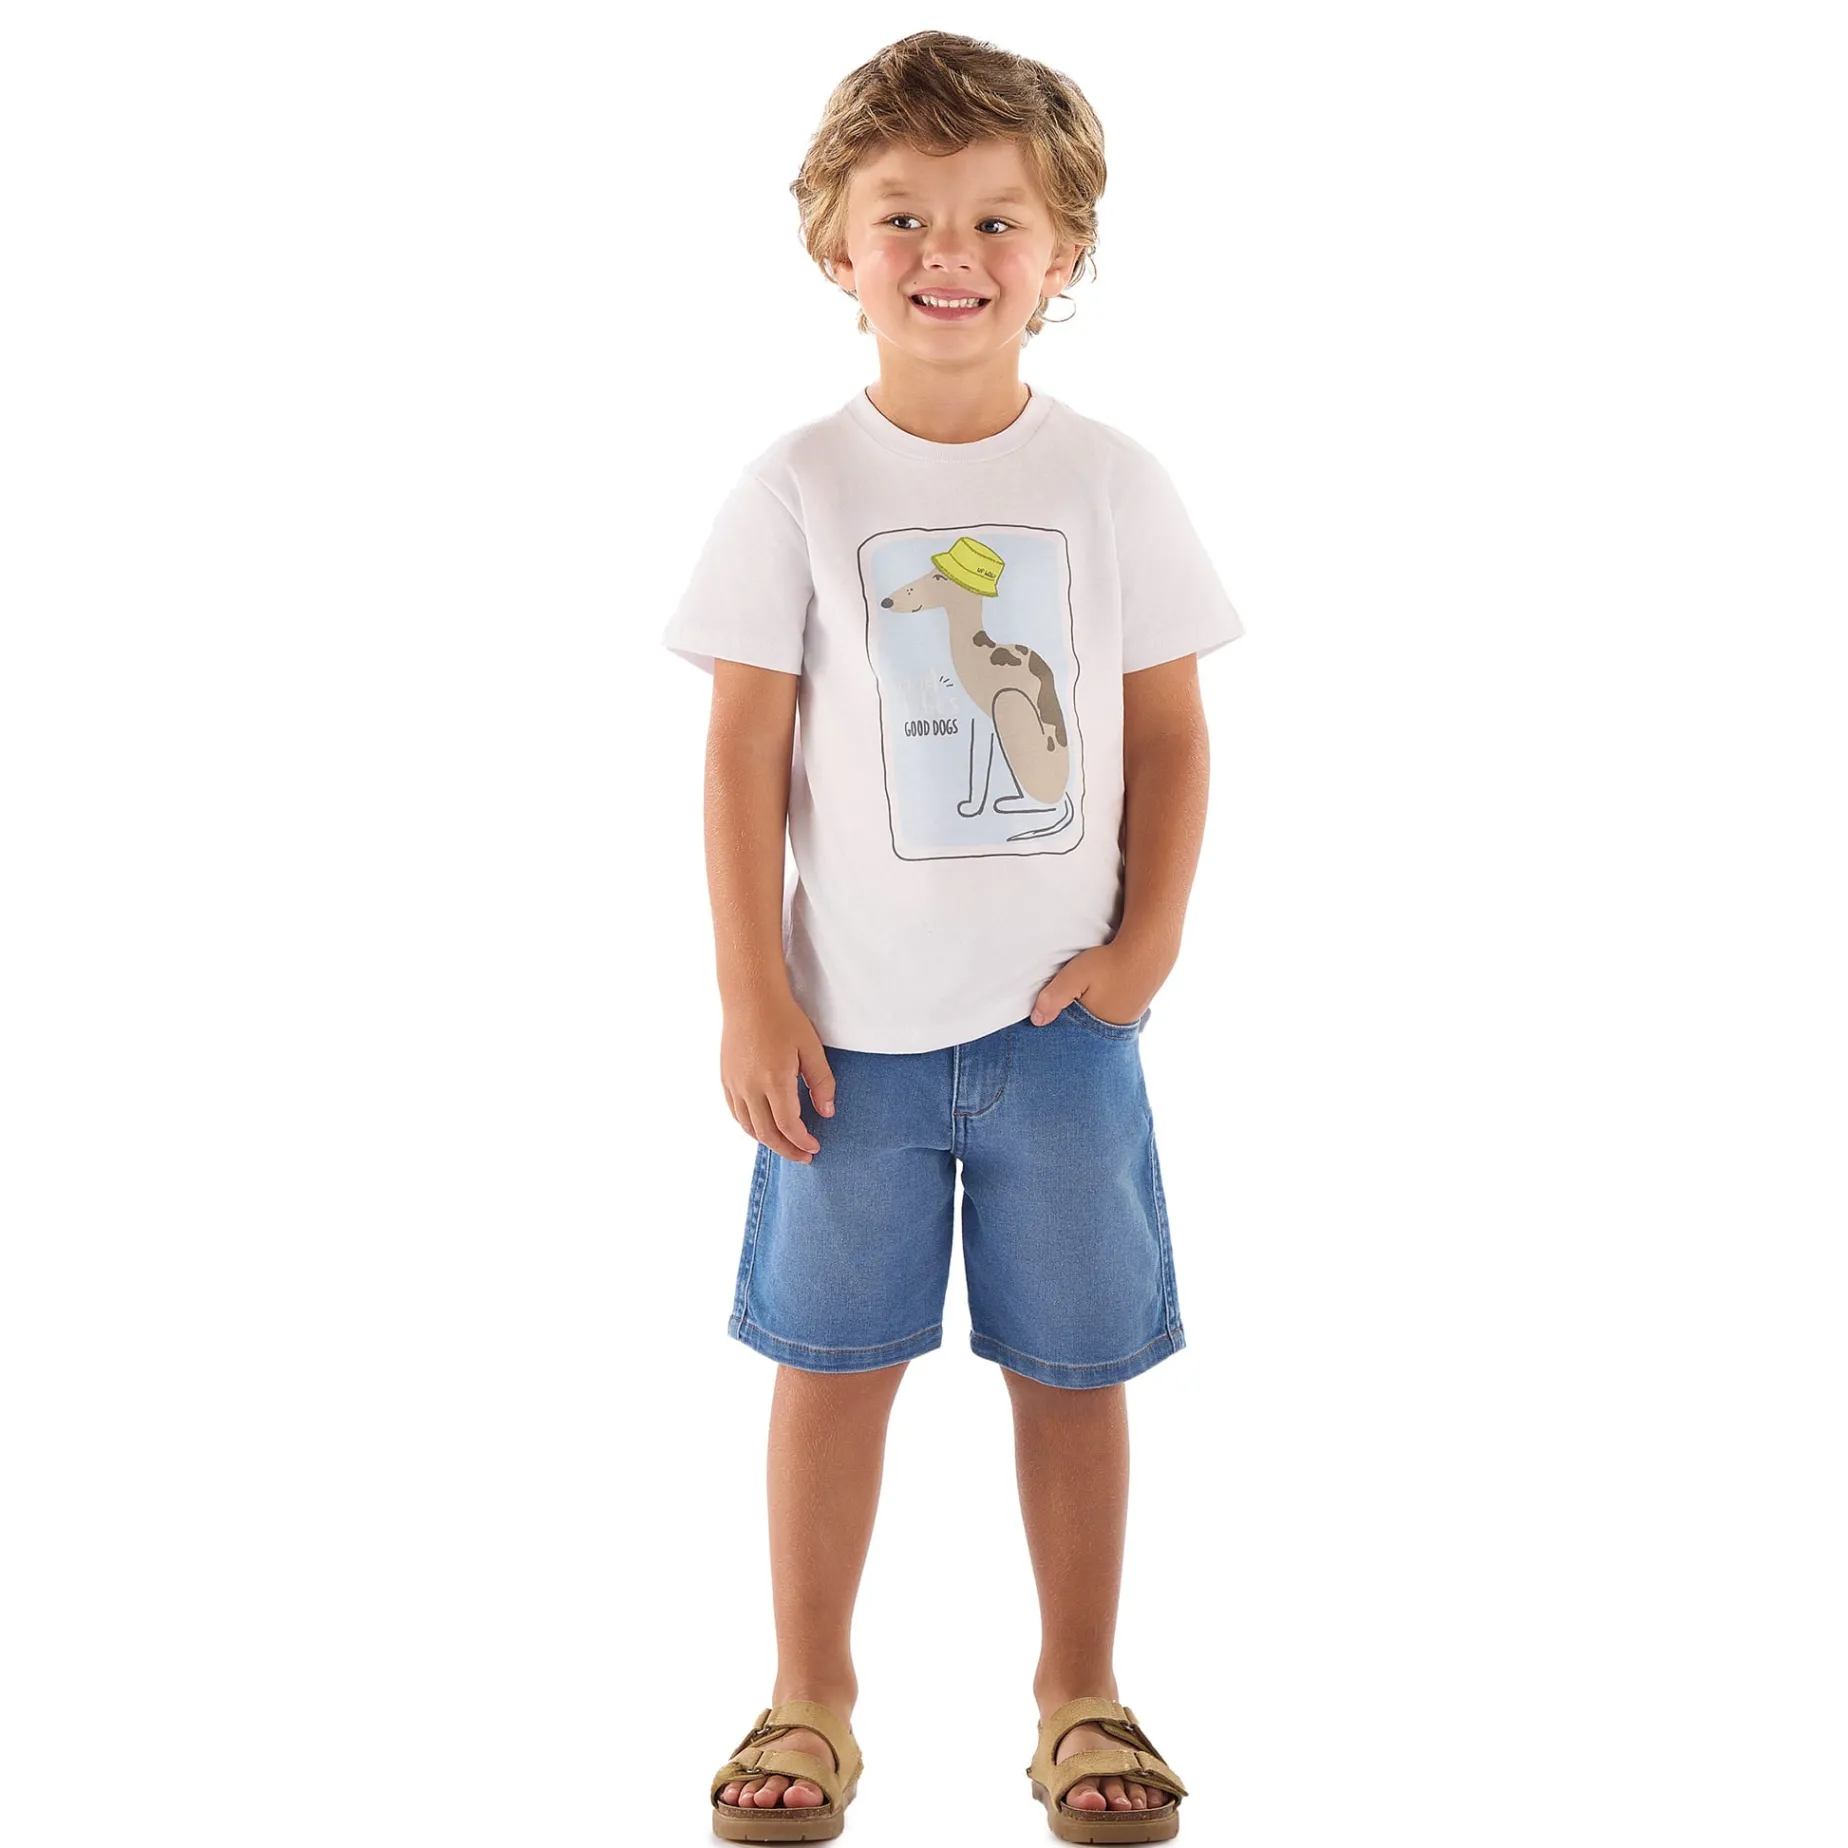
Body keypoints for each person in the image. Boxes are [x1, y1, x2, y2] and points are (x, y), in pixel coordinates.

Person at [661, 31, 1243, 1844]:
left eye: (997, 218)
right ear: (835, 246)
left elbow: (1168, 732)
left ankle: (1081, 1691)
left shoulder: (1114, 482)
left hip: (1063, 1032)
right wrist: (752, 991)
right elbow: (743, 752)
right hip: (849, 1039)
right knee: (831, 1364)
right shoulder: (797, 488)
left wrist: (1145, 951)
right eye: (904, 214)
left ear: (1064, 253)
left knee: (1074, 1367)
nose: (949, 252)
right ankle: (809, 1692)